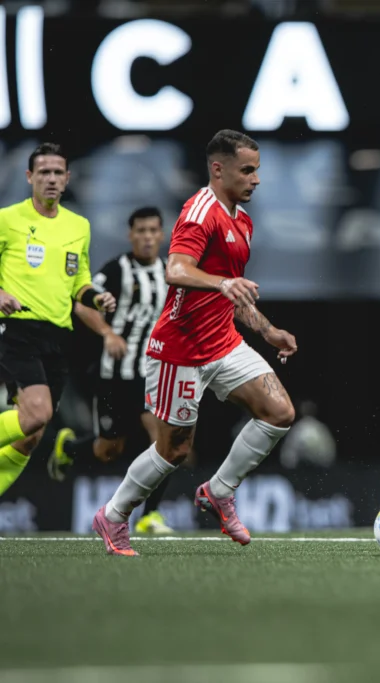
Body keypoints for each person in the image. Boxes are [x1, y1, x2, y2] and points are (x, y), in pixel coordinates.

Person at [92, 130, 298, 556]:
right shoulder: (199, 212)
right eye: (247, 170)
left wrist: (267, 331)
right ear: (218, 170)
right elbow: (176, 270)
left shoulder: (242, 221)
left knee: (279, 413)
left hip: (224, 343)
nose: (256, 179)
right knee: (174, 450)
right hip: (180, 351)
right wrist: (223, 283)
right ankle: (113, 516)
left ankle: (219, 491)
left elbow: (233, 294)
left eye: (257, 170)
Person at [47, 207, 175, 534]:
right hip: (114, 375)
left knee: (165, 440)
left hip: (150, 374)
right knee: (108, 449)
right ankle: (69, 448)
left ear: (162, 235)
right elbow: (81, 305)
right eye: (141, 231)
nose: (147, 237)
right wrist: (108, 333)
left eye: (153, 231)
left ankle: (150, 515)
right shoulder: (116, 270)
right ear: (131, 235)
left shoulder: (169, 272)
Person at [0, 143, 116, 497]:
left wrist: (96, 297)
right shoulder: (8, 219)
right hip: (17, 329)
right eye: (43, 172)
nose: (50, 179)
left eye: (57, 173)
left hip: (58, 335)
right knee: (37, 413)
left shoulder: (78, 226)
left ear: (67, 178)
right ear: (29, 177)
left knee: (31, 435)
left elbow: (79, 280)